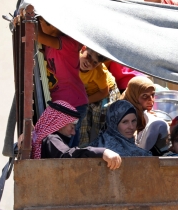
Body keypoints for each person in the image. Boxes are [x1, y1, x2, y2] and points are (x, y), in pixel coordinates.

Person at [37, 16, 88, 147]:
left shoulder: (67, 43)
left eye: (40, 21)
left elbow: (37, 35)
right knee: (61, 147)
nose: (38, 24)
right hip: (63, 104)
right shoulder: (49, 45)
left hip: (73, 103)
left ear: (52, 25)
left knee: (67, 148)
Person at [31, 100, 122, 170]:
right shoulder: (51, 139)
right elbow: (67, 154)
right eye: (72, 127)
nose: (73, 133)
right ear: (59, 124)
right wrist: (102, 152)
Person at [78, 46, 121, 144]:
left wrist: (85, 100)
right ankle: (83, 148)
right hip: (87, 93)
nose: (89, 62)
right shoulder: (72, 60)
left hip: (106, 93)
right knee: (81, 119)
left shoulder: (99, 73)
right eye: (88, 56)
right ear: (83, 49)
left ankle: (104, 145)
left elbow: (104, 92)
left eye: (95, 62)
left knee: (102, 117)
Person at [121, 76, 170, 155]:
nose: (151, 100)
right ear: (134, 96)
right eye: (144, 96)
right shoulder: (122, 114)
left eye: (153, 94)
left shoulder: (141, 112)